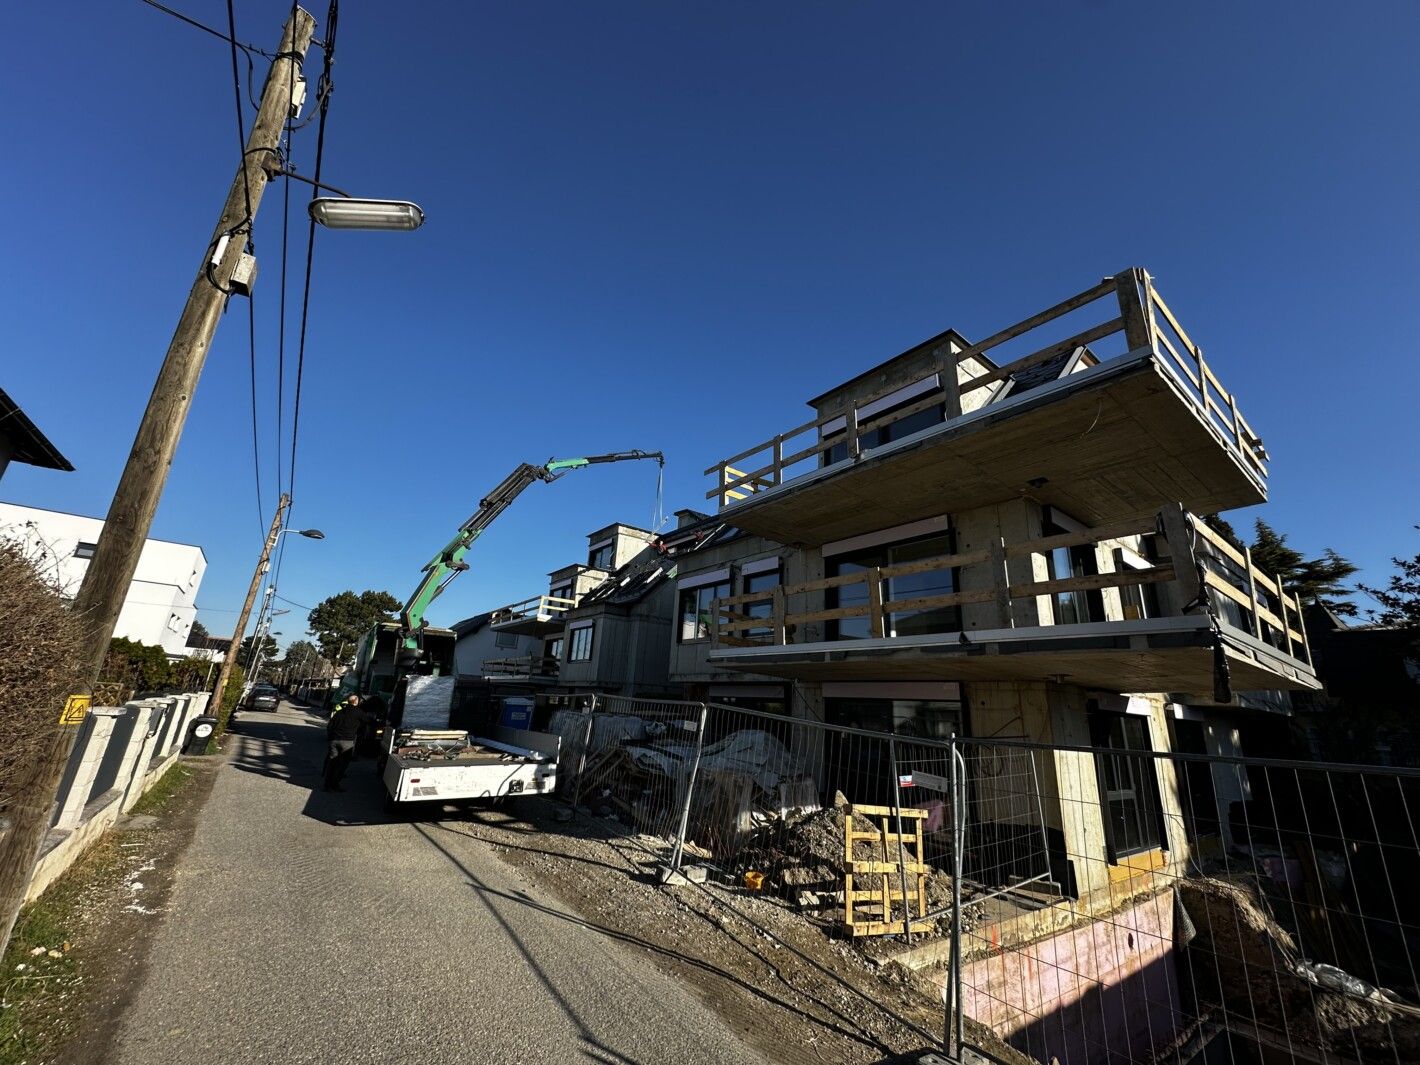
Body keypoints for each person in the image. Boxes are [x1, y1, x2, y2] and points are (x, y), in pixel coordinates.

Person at [324, 694, 367, 791]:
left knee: (332, 763)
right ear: (356, 702)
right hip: (347, 742)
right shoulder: (359, 713)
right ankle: (335, 784)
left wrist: (331, 738)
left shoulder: (339, 712)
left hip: (334, 740)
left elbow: (330, 726)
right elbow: (367, 721)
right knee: (342, 764)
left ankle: (327, 785)